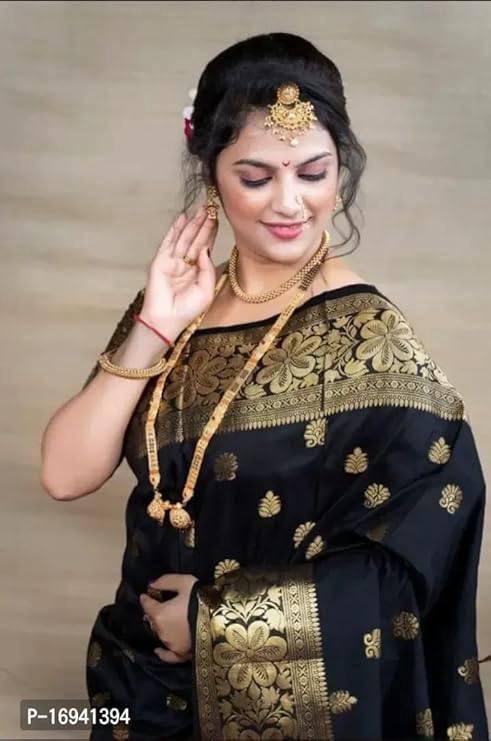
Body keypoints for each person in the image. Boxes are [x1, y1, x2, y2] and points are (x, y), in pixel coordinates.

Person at [40, 32, 489, 741]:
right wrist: (154, 326)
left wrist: (215, 621)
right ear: (211, 173)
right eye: (255, 177)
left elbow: (410, 556)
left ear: (341, 169)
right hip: (138, 685)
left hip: (291, 705)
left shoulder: (368, 336)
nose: (289, 203)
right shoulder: (177, 305)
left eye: (313, 172)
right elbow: (65, 474)